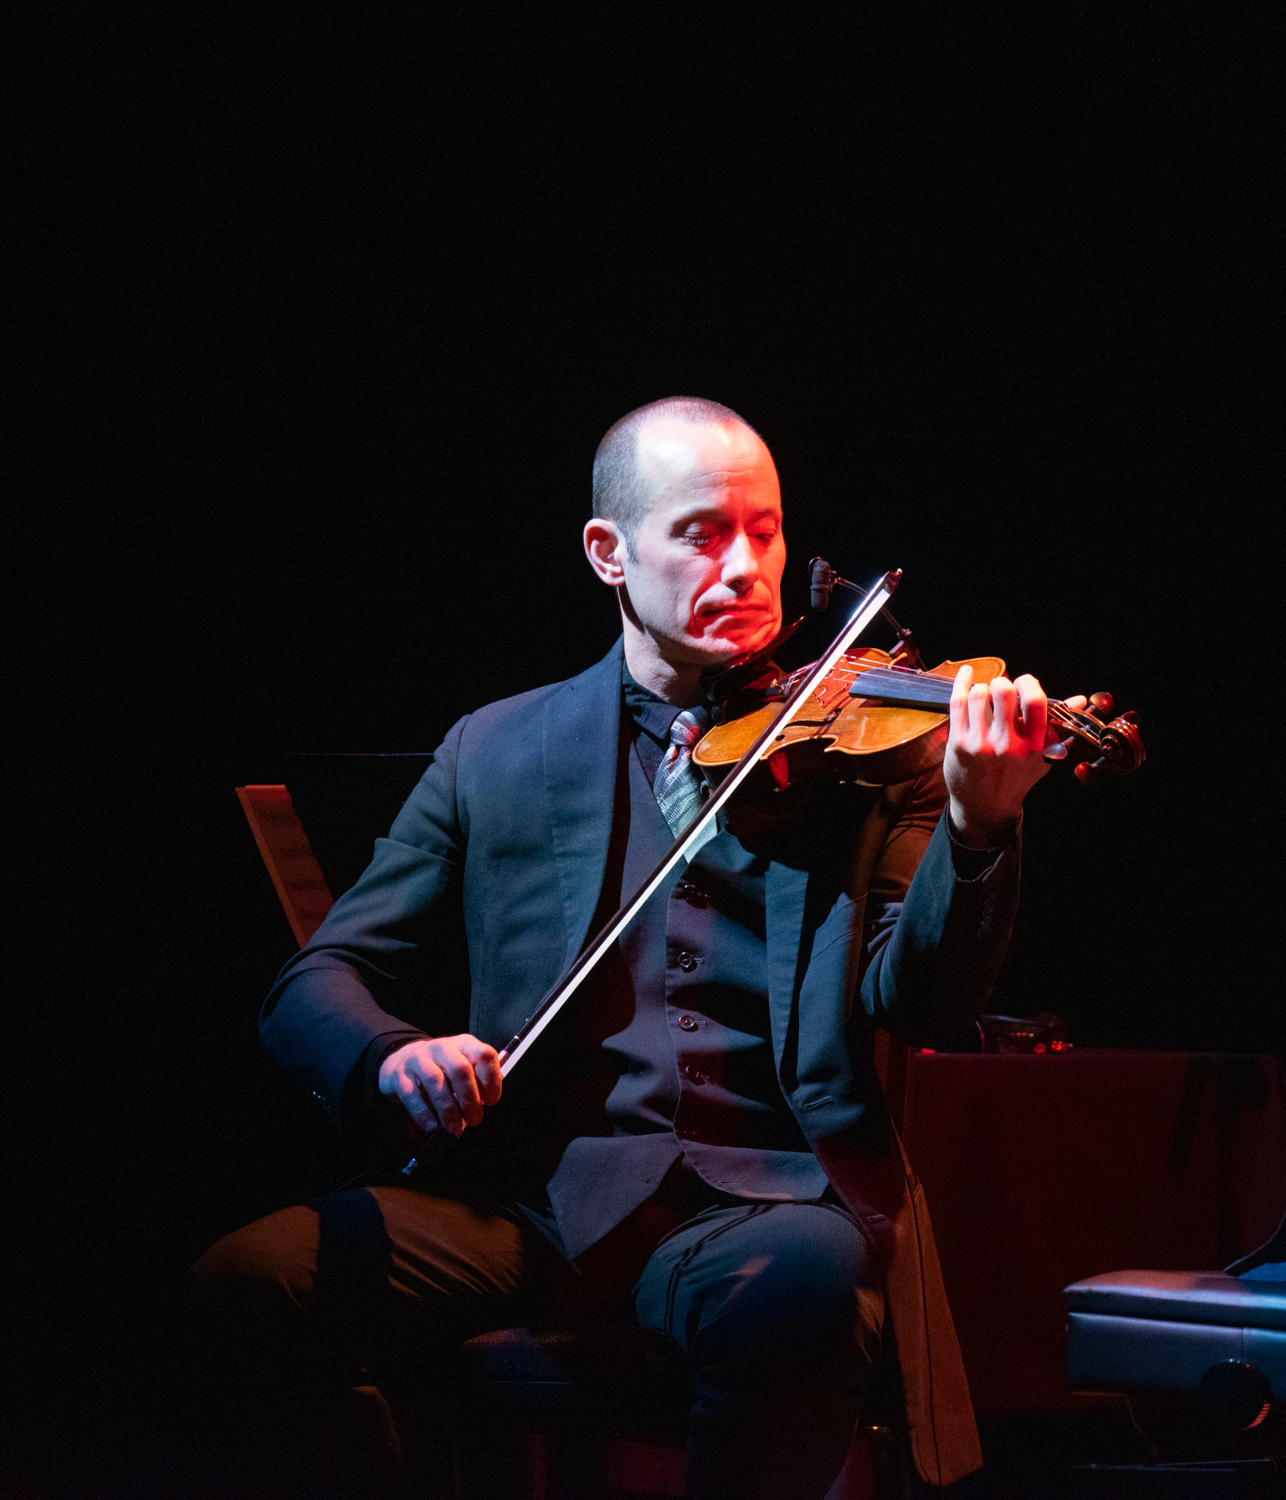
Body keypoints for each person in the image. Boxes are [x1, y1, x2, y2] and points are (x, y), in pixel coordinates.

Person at [195, 397, 1071, 1499]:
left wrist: (976, 826)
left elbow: (922, 1000)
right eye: (703, 532)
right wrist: (389, 1057)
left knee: (802, 1285)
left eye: (765, 530)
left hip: (760, 1202)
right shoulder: (497, 749)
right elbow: (317, 978)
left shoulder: (871, 746)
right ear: (609, 554)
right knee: (249, 1284)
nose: (747, 566)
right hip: (527, 1205)